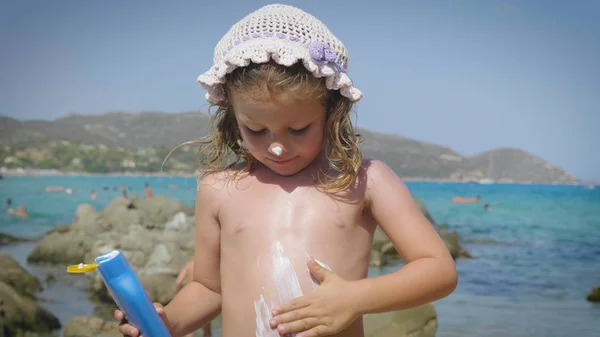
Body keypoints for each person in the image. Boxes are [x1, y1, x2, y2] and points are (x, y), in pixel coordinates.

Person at [113, 4, 457, 337]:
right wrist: (167, 322)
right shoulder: (220, 189)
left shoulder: (365, 181)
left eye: (297, 129)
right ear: (233, 118)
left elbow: (438, 269)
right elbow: (208, 288)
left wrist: (355, 298)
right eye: (256, 131)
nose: (276, 147)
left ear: (331, 112)